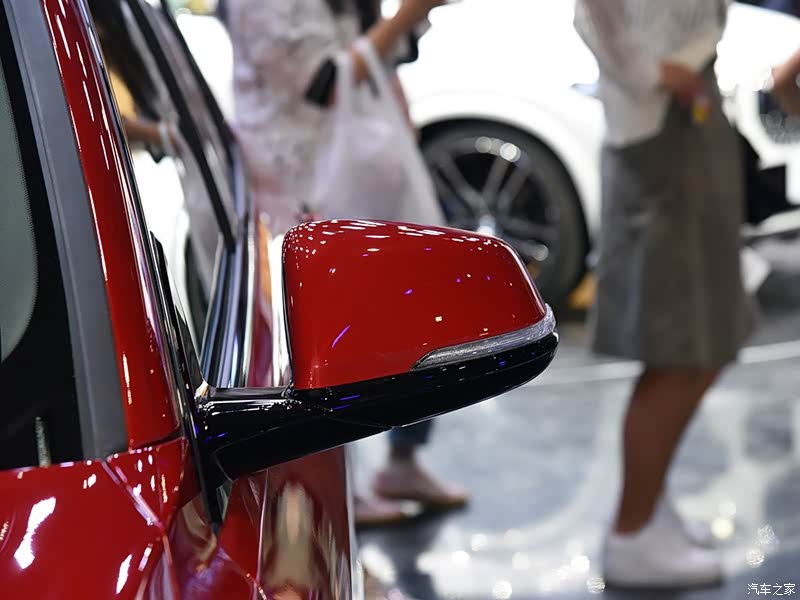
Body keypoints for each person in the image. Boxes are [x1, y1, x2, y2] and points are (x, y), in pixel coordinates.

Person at [225, 0, 467, 526]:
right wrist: (407, 15)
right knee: (327, 341)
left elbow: (376, 59)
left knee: (413, 315)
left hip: (356, 175)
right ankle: (338, 490)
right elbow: (323, 83)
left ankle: (400, 461)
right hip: (299, 189)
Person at [574, 0, 756, 588]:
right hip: (660, 126)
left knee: (700, 344)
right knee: (682, 351)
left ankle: (648, 508)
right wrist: (652, 72)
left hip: (678, 113)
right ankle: (633, 530)